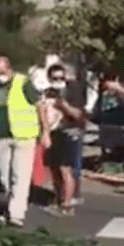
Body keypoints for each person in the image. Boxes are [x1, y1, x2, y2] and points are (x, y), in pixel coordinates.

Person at [0, 55, 41, 227]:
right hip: (1, 136)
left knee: (20, 176)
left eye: (1, 71)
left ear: (9, 68)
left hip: (23, 136)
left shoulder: (23, 83)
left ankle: (16, 214)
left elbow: (40, 105)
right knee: (4, 176)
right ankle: (10, 206)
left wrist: (44, 132)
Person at [39, 64, 85, 216]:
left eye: (61, 78)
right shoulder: (47, 92)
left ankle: (67, 205)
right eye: (55, 78)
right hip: (53, 132)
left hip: (69, 132)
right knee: (54, 168)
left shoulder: (73, 91)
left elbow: (79, 115)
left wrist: (64, 105)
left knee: (66, 170)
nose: (58, 81)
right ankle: (59, 199)